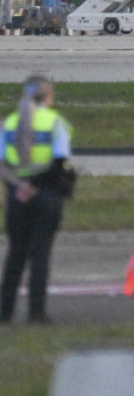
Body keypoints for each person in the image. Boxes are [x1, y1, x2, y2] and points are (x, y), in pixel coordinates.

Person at [0, 75, 73, 324]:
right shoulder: (54, 122)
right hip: (46, 194)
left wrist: (20, 185)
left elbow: (2, 164)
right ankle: (36, 312)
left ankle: (5, 311)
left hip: (17, 195)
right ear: (49, 96)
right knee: (40, 254)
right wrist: (35, 186)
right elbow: (59, 162)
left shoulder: (9, 123)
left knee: (15, 254)